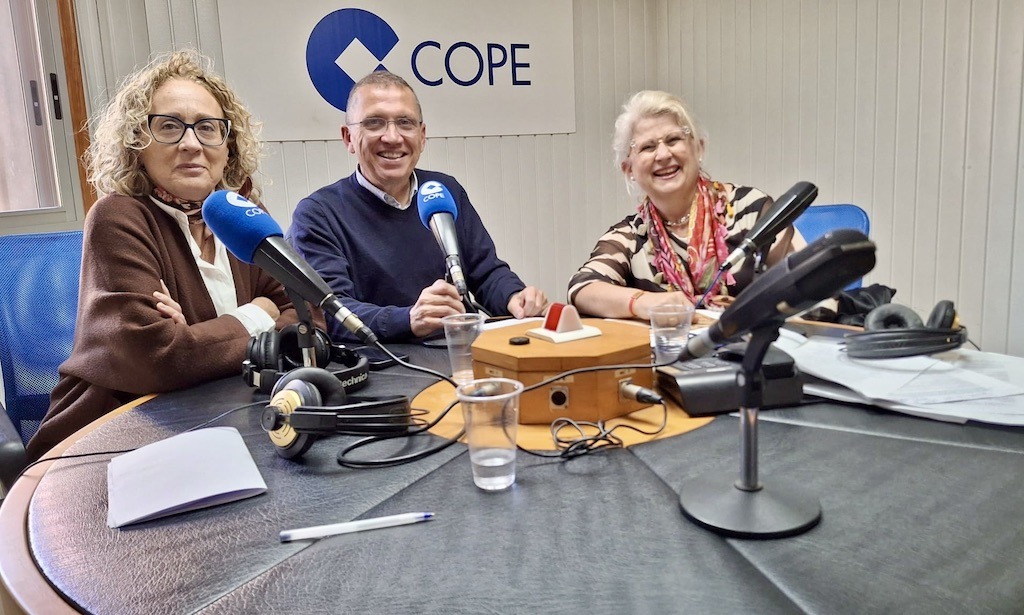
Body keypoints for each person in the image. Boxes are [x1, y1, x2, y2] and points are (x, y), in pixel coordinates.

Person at [26, 50, 300, 460]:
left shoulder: (241, 215)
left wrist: (193, 337)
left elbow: (306, 320)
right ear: (137, 143)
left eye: (207, 128)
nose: (191, 143)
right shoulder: (118, 217)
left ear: (228, 145)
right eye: (169, 126)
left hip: (229, 418)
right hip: (115, 436)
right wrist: (258, 314)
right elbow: (158, 358)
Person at [288, 71, 548, 343]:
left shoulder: (443, 191)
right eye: (374, 123)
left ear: (422, 136)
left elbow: (486, 273)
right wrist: (409, 319)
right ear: (348, 138)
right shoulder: (318, 214)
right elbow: (333, 313)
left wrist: (514, 297)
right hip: (382, 363)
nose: (392, 137)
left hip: (458, 351)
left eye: (405, 123)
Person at [568, 90, 805, 320]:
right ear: (629, 169)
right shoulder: (631, 236)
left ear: (698, 148)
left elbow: (809, 283)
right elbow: (582, 288)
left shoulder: (750, 209)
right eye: (648, 147)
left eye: (673, 140)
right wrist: (642, 302)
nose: (663, 155)